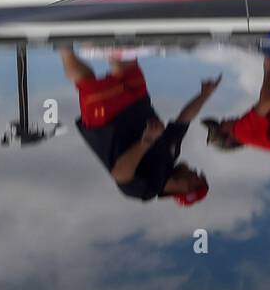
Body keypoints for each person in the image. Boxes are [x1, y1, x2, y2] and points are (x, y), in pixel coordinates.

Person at [61, 45, 218, 205]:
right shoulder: (171, 157)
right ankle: (111, 32)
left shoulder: (147, 190)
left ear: (186, 189)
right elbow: (184, 119)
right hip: (138, 101)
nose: (196, 173)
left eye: (197, 179)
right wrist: (205, 95)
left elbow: (120, 174)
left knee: (86, 79)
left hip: (109, 121)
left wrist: (147, 141)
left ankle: (62, 43)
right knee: (125, 58)